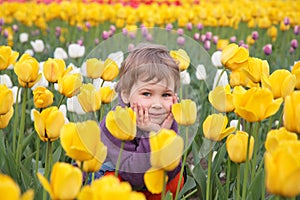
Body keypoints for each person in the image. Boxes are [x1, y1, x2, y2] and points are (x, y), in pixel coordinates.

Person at [99, 43, 185, 199]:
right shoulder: (115, 122)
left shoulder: (166, 119)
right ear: (125, 95)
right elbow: (133, 174)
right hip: (119, 177)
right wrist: (152, 135)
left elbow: (171, 168)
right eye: (147, 93)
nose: (157, 104)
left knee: (177, 179)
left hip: (144, 182)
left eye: (166, 95)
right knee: (110, 179)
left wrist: (161, 133)